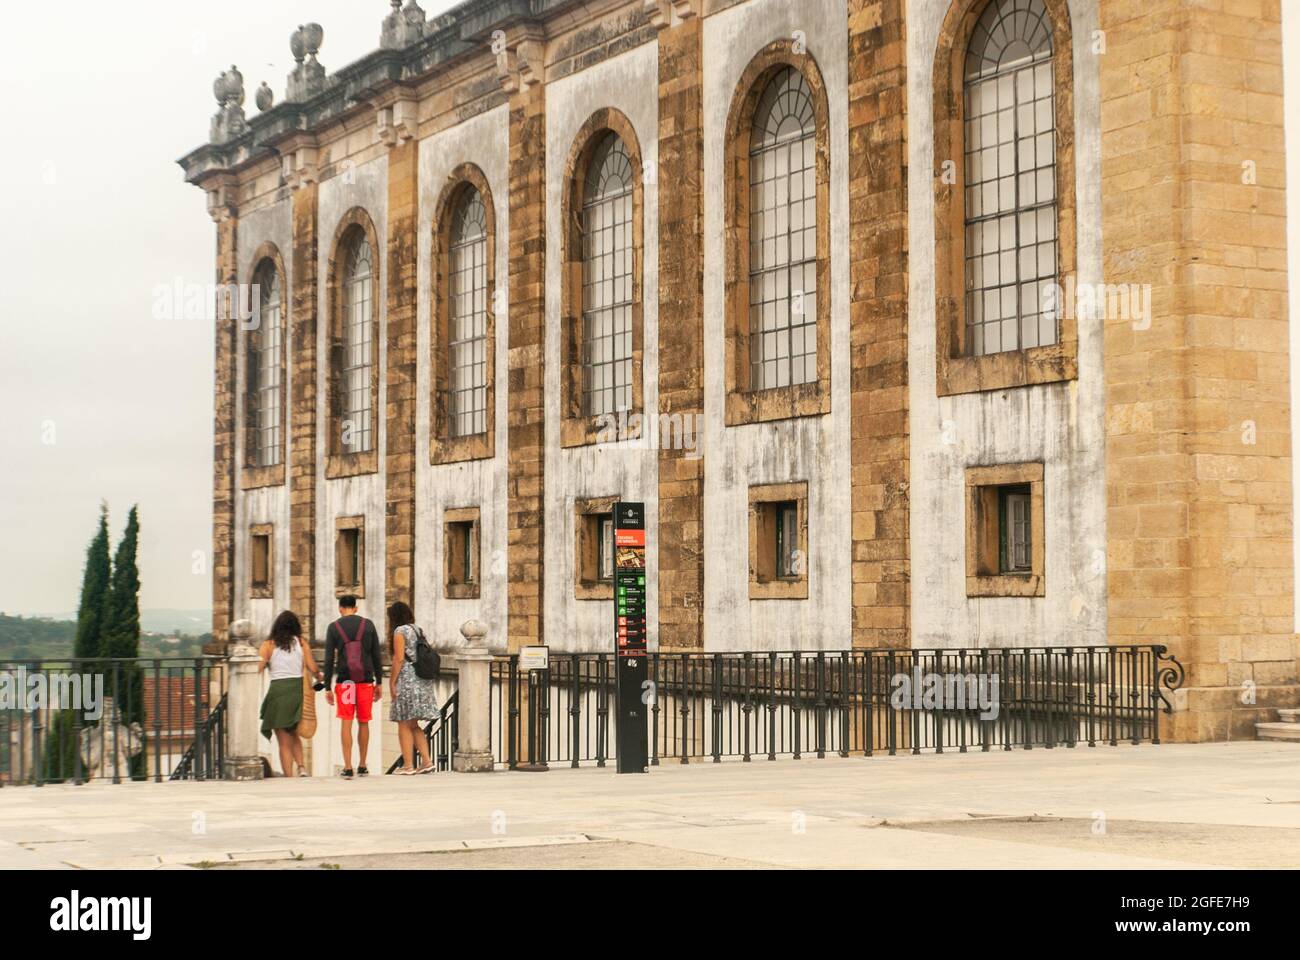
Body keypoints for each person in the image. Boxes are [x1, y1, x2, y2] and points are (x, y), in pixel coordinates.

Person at [324, 595, 383, 779]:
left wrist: (327, 686)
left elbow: (328, 659)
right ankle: (363, 765)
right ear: (356, 608)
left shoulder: (334, 627)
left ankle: (348, 766)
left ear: (340, 608)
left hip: (346, 683)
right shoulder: (368, 625)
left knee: (346, 721)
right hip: (365, 681)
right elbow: (376, 655)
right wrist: (379, 681)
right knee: (364, 721)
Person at [258, 610, 323, 777]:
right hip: (297, 692)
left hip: (278, 693)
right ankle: (301, 767)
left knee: (283, 741)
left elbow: (257, 668)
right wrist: (320, 677)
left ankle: (289, 776)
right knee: (294, 732)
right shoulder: (301, 643)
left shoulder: (269, 645)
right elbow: (312, 667)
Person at [387, 601, 440, 775]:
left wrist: (392, 682)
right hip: (422, 680)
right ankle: (427, 761)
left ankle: (408, 765)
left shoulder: (399, 631)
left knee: (403, 722)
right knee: (414, 724)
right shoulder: (418, 630)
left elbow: (399, 659)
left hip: (408, 680)